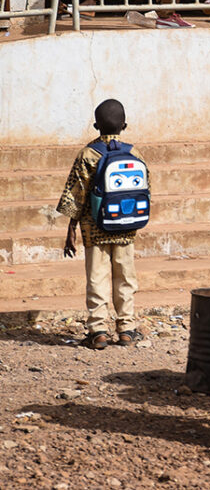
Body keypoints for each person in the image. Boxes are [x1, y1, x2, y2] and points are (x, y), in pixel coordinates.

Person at [57, 99, 148, 350]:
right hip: (126, 226)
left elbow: (75, 194)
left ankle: (98, 331)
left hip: (95, 227)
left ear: (96, 125)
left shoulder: (88, 154)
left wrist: (71, 228)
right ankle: (126, 329)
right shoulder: (134, 153)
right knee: (125, 277)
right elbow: (145, 188)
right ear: (124, 125)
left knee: (97, 278)